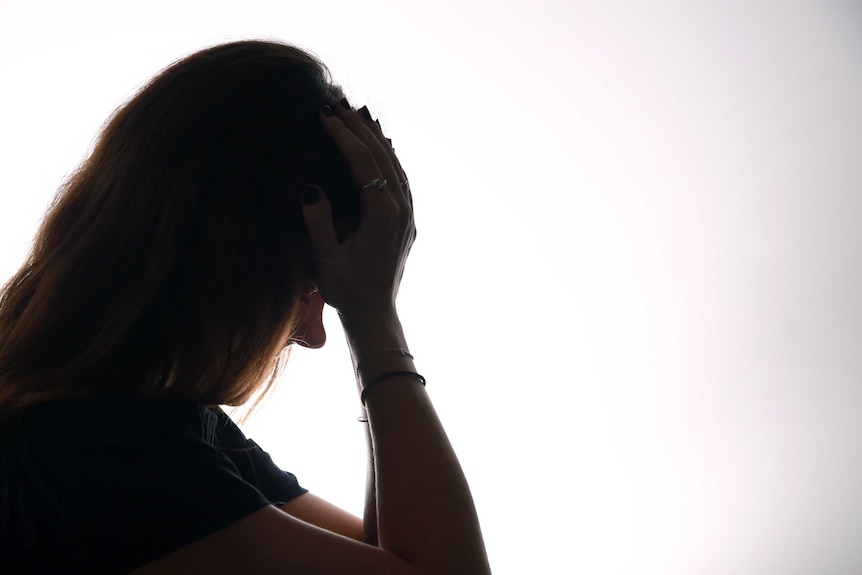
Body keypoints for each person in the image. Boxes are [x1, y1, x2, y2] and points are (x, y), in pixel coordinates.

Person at [0, 40, 492, 574]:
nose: (312, 334)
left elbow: (383, 557)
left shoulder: (155, 437)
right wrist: (372, 316)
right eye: (310, 287)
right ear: (234, 266)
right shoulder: (111, 455)